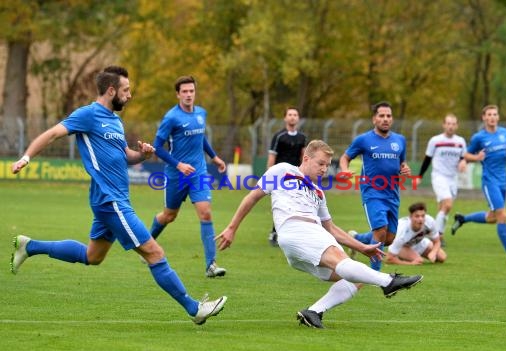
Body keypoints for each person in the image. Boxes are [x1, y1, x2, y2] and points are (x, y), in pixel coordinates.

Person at [10, 66, 226, 325]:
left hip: (112, 200)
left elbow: (126, 156)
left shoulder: (115, 120)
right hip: (110, 200)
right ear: (111, 90)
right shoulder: (88, 115)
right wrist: (26, 157)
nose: (130, 95)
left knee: (93, 256)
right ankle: (194, 309)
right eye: (126, 90)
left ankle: (30, 246)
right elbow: (53, 133)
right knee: (154, 253)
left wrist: (143, 155)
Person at [215, 140, 423, 329]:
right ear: (306, 158)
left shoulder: (318, 192)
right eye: (321, 164)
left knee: (357, 278)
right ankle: (389, 282)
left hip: (302, 243)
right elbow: (252, 196)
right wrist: (232, 228)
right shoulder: (282, 170)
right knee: (347, 264)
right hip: (296, 229)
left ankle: (314, 312)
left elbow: (331, 228)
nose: (324, 169)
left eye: (327, 165)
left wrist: (361, 247)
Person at [149, 76, 227, 278]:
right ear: (178, 94)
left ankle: (211, 265)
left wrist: (215, 158)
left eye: (191, 91)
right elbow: (157, 147)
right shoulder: (171, 118)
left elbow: (201, 138)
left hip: (198, 172)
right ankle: (147, 244)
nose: (188, 95)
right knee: (169, 216)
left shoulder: (201, 113)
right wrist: (179, 164)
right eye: (184, 91)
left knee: (206, 213)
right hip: (176, 175)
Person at [339, 101, 411, 271]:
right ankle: (374, 275)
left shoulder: (400, 140)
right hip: (372, 192)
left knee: (389, 238)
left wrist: (404, 168)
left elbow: (402, 163)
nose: (385, 119)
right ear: (374, 119)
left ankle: (356, 238)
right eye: (381, 116)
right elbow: (345, 158)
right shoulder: (364, 140)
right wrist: (344, 170)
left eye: (388, 116)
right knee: (380, 234)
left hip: (393, 193)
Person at [451, 104, 506, 258]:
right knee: (503, 215)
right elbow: (466, 155)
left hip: (503, 181)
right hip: (489, 182)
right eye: (489, 114)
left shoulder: (505, 133)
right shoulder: (479, 137)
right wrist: (475, 158)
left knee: (493, 217)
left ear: (498, 117)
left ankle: (463, 219)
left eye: (495, 114)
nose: (492, 117)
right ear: (484, 118)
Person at [417, 114, 467, 246]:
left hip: (453, 178)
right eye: (448, 123)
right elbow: (427, 159)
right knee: (448, 204)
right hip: (439, 176)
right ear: (444, 125)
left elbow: (463, 158)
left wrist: (463, 162)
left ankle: (433, 233)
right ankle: (437, 236)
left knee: (443, 208)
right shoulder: (435, 140)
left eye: (453, 124)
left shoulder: (461, 141)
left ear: (456, 126)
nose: (450, 126)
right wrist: (420, 176)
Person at [349, 202, 446, 265]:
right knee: (419, 260)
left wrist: (433, 253)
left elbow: (437, 241)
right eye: (417, 216)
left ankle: (355, 237)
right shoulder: (402, 231)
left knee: (442, 257)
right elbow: (389, 259)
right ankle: (355, 238)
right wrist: (410, 263)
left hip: (418, 242)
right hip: (403, 245)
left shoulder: (430, 221)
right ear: (410, 217)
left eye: (422, 216)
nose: (421, 219)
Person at [266, 107, 308, 246]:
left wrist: (305, 175)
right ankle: (274, 232)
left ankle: (291, 233)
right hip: (280, 176)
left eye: (295, 115)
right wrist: (269, 177)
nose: (292, 117)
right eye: (290, 114)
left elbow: (304, 157)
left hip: (295, 175)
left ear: (298, 118)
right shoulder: (279, 136)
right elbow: (272, 157)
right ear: (285, 118)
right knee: (281, 203)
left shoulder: (302, 137)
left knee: (296, 203)